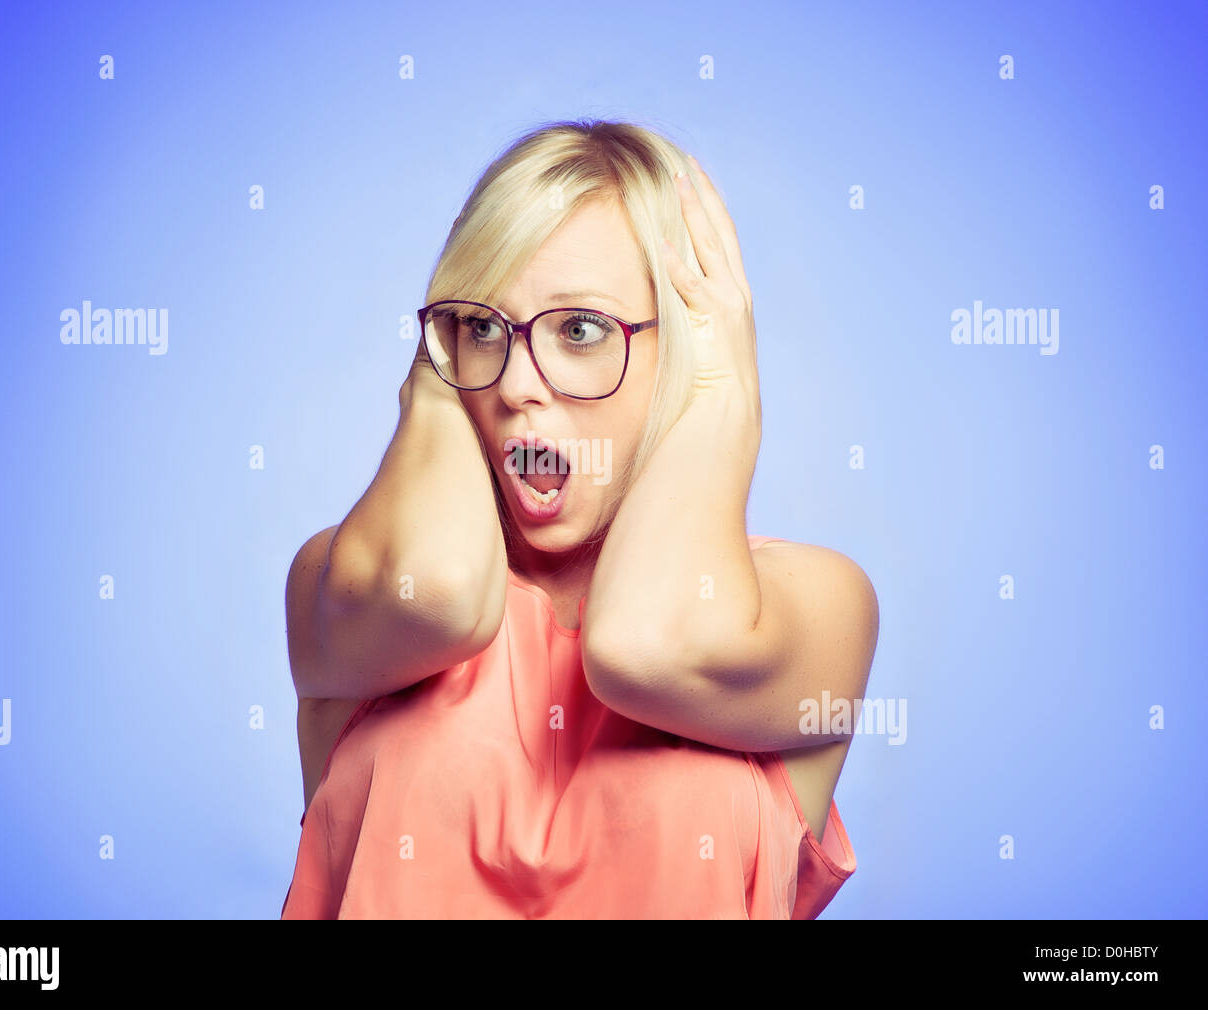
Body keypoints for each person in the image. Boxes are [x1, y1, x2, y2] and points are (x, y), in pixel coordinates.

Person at [280, 119, 879, 919]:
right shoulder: (354, 582)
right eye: (483, 328)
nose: (519, 382)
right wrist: (433, 374)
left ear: (690, 348)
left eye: (580, 329)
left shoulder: (814, 607)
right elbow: (446, 593)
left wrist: (725, 394)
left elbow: (645, 646)